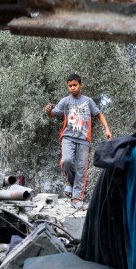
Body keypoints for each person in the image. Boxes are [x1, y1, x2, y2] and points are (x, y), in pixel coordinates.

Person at [45, 73, 112, 209]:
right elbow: (53, 115)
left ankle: (76, 198)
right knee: (67, 161)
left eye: (75, 85)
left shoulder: (88, 101)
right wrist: (48, 111)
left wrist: (107, 129)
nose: (72, 88)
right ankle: (70, 182)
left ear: (80, 85)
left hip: (83, 139)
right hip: (68, 137)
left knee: (82, 168)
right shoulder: (65, 101)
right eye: (70, 86)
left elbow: (99, 114)